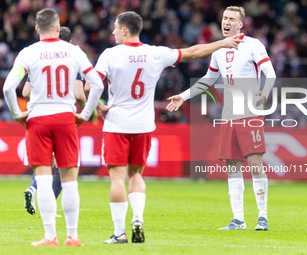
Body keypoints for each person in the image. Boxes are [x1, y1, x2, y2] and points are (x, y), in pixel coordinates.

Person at [92, 11, 243, 244]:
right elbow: (193, 52)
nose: (112, 32)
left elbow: (91, 84)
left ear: (124, 30)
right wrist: (223, 43)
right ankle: (138, 219)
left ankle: (119, 232)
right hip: (143, 125)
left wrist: (98, 107)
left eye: (115, 28)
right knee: (136, 175)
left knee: (117, 178)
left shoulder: (109, 55)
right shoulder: (156, 53)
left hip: (117, 123)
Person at [167, 6, 276, 231]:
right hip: (229, 115)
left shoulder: (253, 45)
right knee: (232, 165)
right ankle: (238, 219)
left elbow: (270, 73)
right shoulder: (218, 50)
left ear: (240, 24)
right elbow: (208, 79)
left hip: (250, 113)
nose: (226, 22)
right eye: (224, 18)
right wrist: (184, 96)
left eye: (231, 19)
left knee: (255, 163)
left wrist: (264, 93)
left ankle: (262, 216)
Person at [3, 8, 103, 246]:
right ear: (58, 28)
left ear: (37, 28)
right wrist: (86, 114)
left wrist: (18, 114)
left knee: (44, 179)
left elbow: (8, 88)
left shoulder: (28, 53)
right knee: (69, 180)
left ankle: (50, 237)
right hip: (66, 118)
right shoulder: (74, 51)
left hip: (38, 119)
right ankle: (73, 236)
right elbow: (96, 84)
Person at [22, 26, 86, 216]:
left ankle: (33, 190)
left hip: (38, 116)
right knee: (66, 165)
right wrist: (88, 108)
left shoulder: (37, 56)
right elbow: (79, 93)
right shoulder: (74, 58)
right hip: (63, 116)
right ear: (71, 43)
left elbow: (24, 92)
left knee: (44, 162)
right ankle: (52, 209)